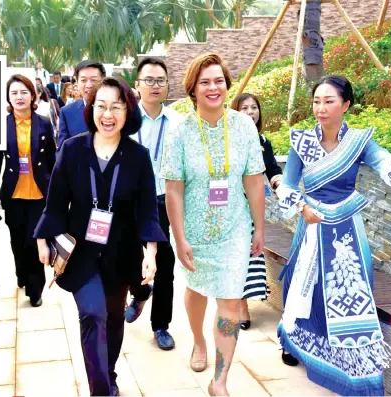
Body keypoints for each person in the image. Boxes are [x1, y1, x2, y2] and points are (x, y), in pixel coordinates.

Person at [276, 75, 391, 396]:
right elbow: (287, 185)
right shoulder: (301, 142)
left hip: (347, 232)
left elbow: (386, 162)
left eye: (329, 101)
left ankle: (354, 372)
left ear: (346, 105)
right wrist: (301, 207)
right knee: (305, 289)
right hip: (311, 226)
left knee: (351, 297)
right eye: (316, 101)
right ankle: (298, 346)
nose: (321, 108)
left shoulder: (360, 141)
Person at [34, 76, 166, 397]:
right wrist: (42, 239)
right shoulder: (72, 149)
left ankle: (106, 374)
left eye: (116, 107)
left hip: (122, 254)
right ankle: (102, 391)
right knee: (92, 314)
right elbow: (54, 205)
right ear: (91, 109)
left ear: (127, 112)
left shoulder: (137, 156)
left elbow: (147, 210)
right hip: (81, 253)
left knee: (113, 318)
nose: (108, 115)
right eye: (101, 106)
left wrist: (150, 253)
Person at [161, 53, 265, 397]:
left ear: (227, 85)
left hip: (235, 227)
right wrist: (179, 237)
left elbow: (253, 181)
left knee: (231, 302)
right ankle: (198, 342)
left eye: (218, 80)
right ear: (192, 89)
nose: (213, 87)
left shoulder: (244, 126)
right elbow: (173, 189)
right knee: (195, 291)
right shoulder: (180, 130)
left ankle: (219, 379)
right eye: (205, 81)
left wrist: (259, 228)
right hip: (193, 229)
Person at [0, 74, 56, 307]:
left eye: (24, 92)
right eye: (14, 93)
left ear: (33, 95)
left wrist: (58, 192)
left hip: (39, 194)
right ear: (8, 97)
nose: (19, 97)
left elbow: (52, 159)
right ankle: (22, 275)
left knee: (34, 240)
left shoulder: (44, 122)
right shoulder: (0, 124)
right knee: (17, 241)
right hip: (13, 195)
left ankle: (35, 290)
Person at [124, 58, 178, 350]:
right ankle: (141, 293)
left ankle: (161, 326)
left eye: (160, 80)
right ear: (137, 85)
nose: (155, 85)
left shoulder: (179, 123)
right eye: (149, 80)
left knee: (166, 265)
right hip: (132, 202)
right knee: (134, 258)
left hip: (166, 201)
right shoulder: (127, 122)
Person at [230, 93, 283, 330]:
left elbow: (272, 169)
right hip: (229, 206)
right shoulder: (225, 138)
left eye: (254, 107)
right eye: (244, 108)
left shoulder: (263, 142)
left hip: (253, 206)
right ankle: (240, 307)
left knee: (250, 255)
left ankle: (243, 299)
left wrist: (278, 183)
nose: (250, 112)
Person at [57, 60, 106, 151]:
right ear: (77, 82)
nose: (88, 85)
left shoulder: (115, 110)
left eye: (93, 80)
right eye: (83, 80)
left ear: (103, 80)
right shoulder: (67, 112)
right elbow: (62, 151)